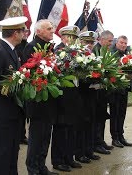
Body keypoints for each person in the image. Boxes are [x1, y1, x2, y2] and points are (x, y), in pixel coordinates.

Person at [0, 16, 27, 175]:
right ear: (15, 33)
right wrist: (14, 89)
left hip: (12, 111)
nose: (25, 33)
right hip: (1, 112)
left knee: (11, 152)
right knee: (1, 153)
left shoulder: (12, 50)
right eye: (23, 30)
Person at [22, 19, 59, 175]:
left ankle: (42, 166)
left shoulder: (50, 47)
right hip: (37, 101)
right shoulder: (30, 47)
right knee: (36, 137)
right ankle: (33, 168)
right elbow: (27, 73)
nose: (52, 30)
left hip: (49, 99)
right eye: (49, 28)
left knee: (46, 136)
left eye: (52, 28)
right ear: (39, 32)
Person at [51, 25, 83, 172]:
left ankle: (69, 157)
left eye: (75, 38)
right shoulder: (58, 51)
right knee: (61, 129)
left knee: (72, 128)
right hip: (62, 97)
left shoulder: (78, 52)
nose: (73, 40)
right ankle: (58, 160)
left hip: (74, 95)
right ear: (63, 37)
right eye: (71, 37)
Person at [74, 31, 101, 164]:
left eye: (91, 42)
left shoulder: (93, 56)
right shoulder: (78, 56)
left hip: (92, 96)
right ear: (81, 42)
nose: (89, 45)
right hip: (81, 96)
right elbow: (79, 77)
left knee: (91, 122)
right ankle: (80, 153)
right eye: (86, 42)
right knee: (82, 124)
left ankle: (89, 151)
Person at [92, 30, 114, 155]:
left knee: (102, 117)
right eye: (109, 41)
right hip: (96, 91)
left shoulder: (105, 51)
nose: (111, 43)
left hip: (103, 91)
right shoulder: (96, 51)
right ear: (102, 39)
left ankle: (100, 141)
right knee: (98, 117)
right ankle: (97, 142)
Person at [109, 35, 132, 148]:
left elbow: (131, 70)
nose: (123, 45)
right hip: (114, 89)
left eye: (125, 43)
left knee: (122, 113)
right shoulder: (112, 53)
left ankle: (121, 136)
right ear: (116, 42)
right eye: (121, 42)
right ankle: (115, 137)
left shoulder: (128, 55)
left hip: (124, 88)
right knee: (115, 114)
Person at [15, 29, 30, 145]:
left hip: (26, 81)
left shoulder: (28, 46)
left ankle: (22, 134)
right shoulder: (17, 46)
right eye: (23, 31)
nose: (25, 33)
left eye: (27, 31)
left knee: (23, 111)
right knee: (18, 111)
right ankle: (18, 134)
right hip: (16, 81)